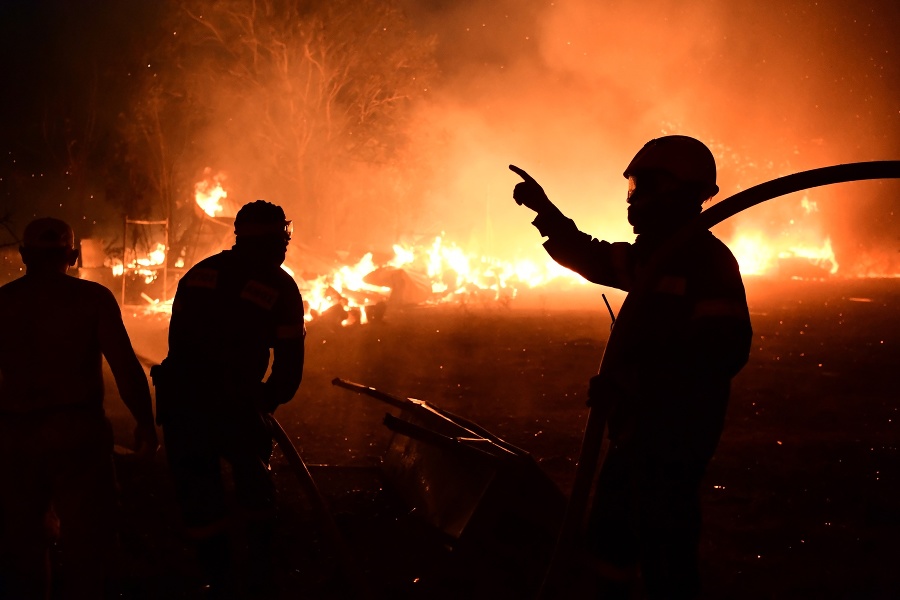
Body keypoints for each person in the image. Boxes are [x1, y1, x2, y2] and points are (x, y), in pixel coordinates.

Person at [511, 135, 753, 598]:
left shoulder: (706, 262)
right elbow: (592, 256)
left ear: (678, 191)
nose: (635, 198)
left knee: (665, 545)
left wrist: (634, 383)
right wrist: (545, 212)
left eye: (644, 185)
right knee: (609, 536)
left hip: (676, 436)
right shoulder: (656, 256)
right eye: (634, 186)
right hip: (640, 432)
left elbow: (721, 353)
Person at [152, 200, 306, 598]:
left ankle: (215, 576)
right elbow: (288, 370)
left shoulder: (200, 272)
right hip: (235, 404)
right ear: (278, 238)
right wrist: (264, 404)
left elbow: (177, 344)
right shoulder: (279, 285)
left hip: (182, 399)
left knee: (198, 491)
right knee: (255, 485)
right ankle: (258, 569)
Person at [0, 217, 158, 599]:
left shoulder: (3, 302)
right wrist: (146, 424)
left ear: (23, 254)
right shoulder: (92, 299)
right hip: (78, 435)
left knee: (25, 546)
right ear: (71, 255)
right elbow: (125, 366)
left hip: (17, 436)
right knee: (88, 546)